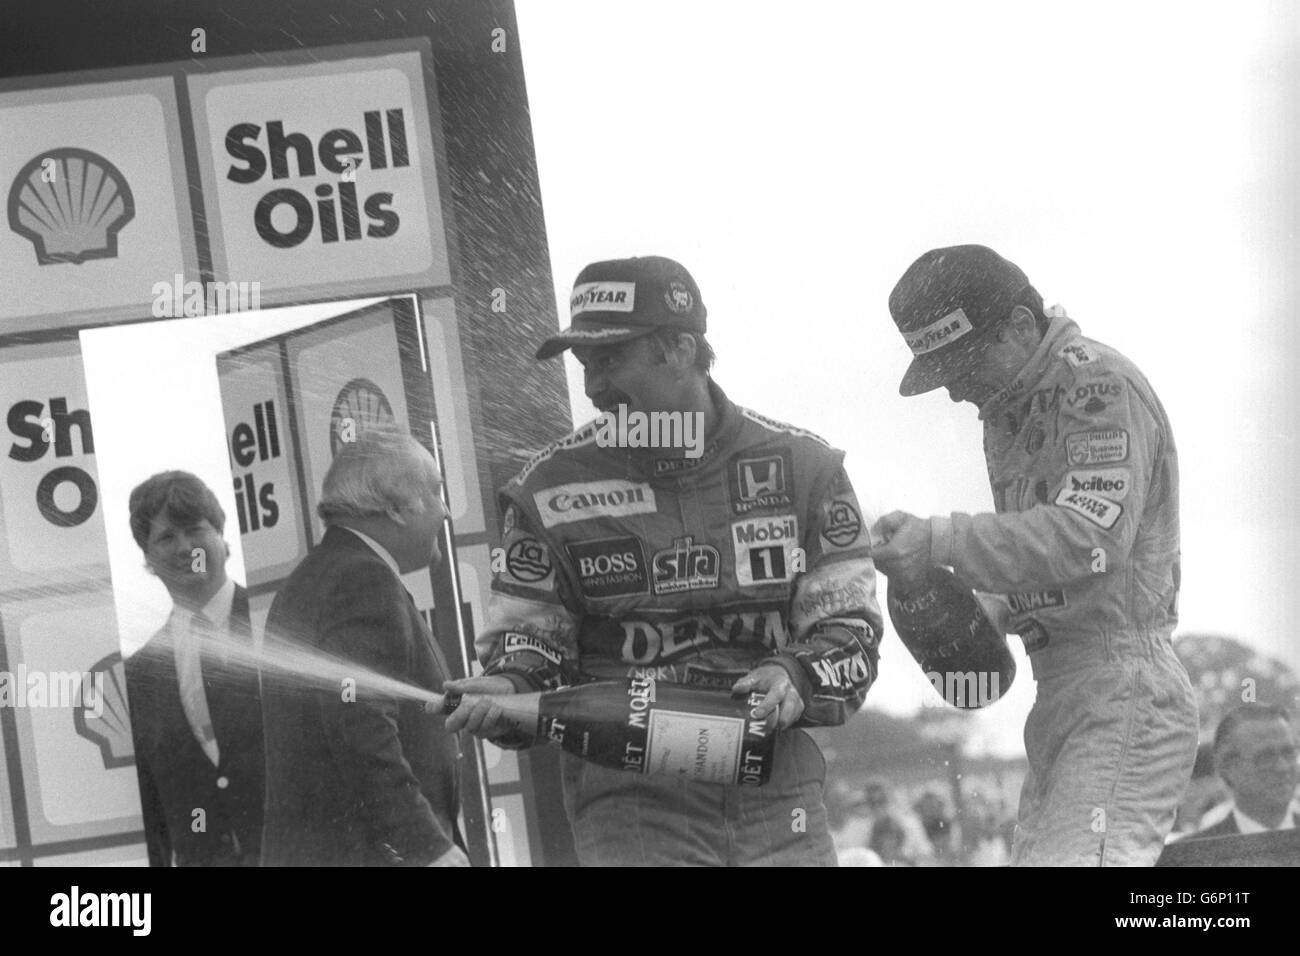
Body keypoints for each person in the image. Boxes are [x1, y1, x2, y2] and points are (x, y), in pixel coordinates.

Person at [446, 254, 883, 866]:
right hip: (630, 802)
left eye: (610, 359)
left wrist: (796, 674)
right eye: (584, 364)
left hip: (775, 786)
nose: (593, 385)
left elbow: (851, 631)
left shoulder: (806, 469)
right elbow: (529, 644)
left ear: (680, 349)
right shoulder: (546, 491)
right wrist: (508, 686)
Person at [870, 244, 1198, 866]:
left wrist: (940, 539)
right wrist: (973, 605)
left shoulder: (1095, 383)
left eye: (964, 365)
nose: (956, 391)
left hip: (1124, 689)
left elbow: (1089, 539)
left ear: (1022, 326)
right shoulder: (1009, 407)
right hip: (1061, 697)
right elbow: (1048, 554)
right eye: (943, 374)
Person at [259, 428, 466, 866]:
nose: (445, 512)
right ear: (394, 508)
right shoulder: (362, 579)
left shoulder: (317, 577)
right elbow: (360, 726)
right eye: (435, 493)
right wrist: (426, 846)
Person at [124, 471, 264, 866]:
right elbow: (150, 809)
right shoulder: (139, 675)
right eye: (166, 537)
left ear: (222, 537)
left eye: (194, 529)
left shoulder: (280, 623)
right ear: (148, 558)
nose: (185, 547)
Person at [1185, 704, 1298, 838]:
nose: (1282, 768)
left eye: (1289, 753)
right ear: (1229, 768)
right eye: (1266, 757)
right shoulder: (1193, 853)